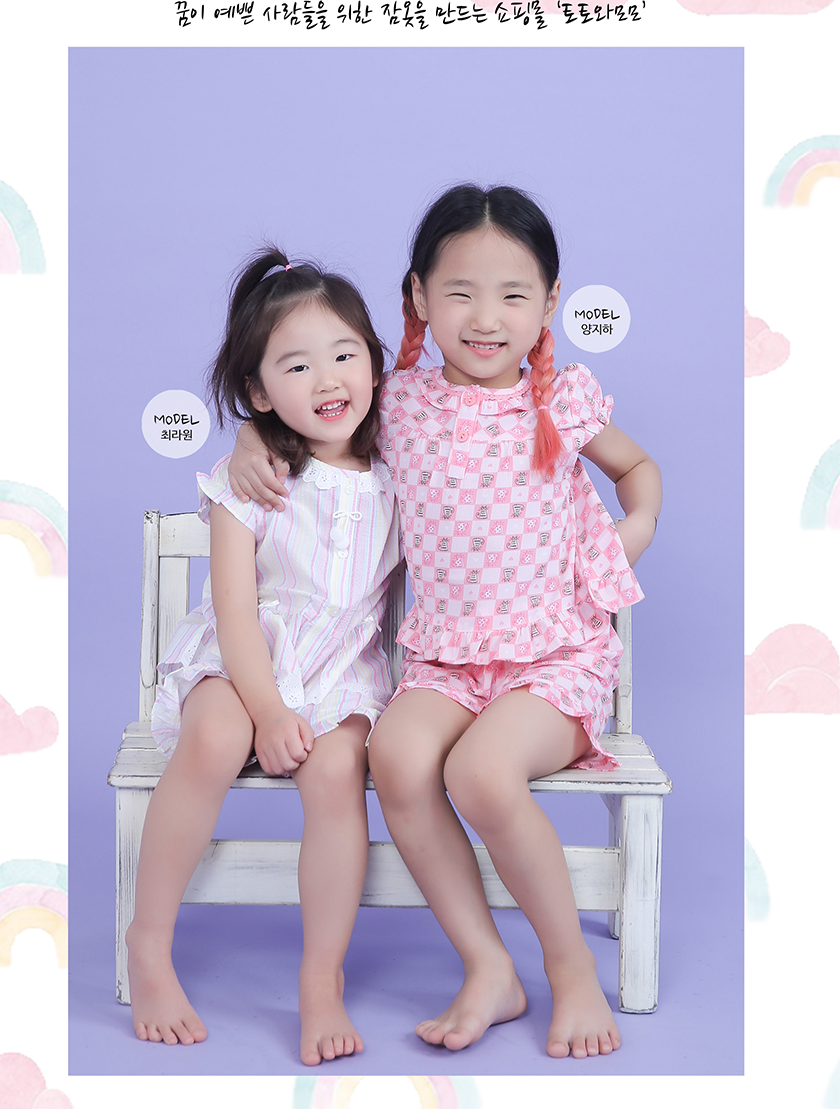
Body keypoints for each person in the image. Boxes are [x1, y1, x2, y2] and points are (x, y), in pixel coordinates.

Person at [228, 186, 662, 1060]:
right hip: (446, 661)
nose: (486, 318)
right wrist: (249, 439)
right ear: (419, 298)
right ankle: (489, 967)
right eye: (460, 292)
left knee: (482, 773)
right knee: (395, 756)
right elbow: (311, 419)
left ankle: (570, 967)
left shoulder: (562, 402)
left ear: (550, 302)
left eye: (514, 294)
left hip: (553, 659)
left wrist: (635, 529)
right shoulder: (398, 404)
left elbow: (637, 469)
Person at [127, 250, 400, 1065]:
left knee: (336, 772)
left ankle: (321, 980)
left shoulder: (399, 468)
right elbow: (237, 611)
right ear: (259, 391)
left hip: (342, 669)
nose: (329, 378)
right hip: (246, 655)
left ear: (375, 365)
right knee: (214, 737)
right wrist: (270, 709)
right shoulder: (251, 477)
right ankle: (149, 943)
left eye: (346, 354)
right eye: (298, 364)